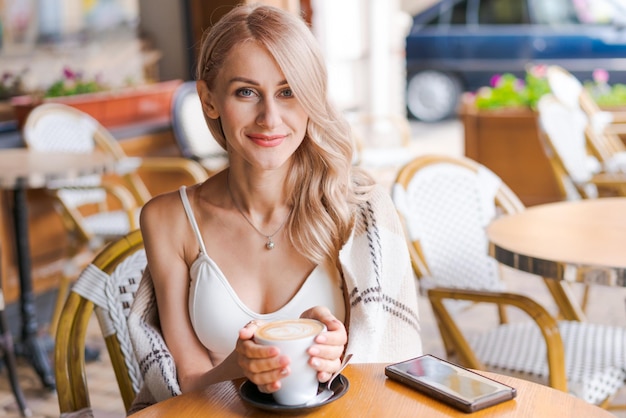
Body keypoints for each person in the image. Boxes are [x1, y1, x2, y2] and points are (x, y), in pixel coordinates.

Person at [128, 3, 422, 410]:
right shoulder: (169, 220)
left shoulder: (357, 211)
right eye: (246, 92)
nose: (269, 118)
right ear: (209, 99)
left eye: (288, 92)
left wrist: (342, 356)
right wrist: (241, 363)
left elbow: (389, 361)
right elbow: (188, 387)